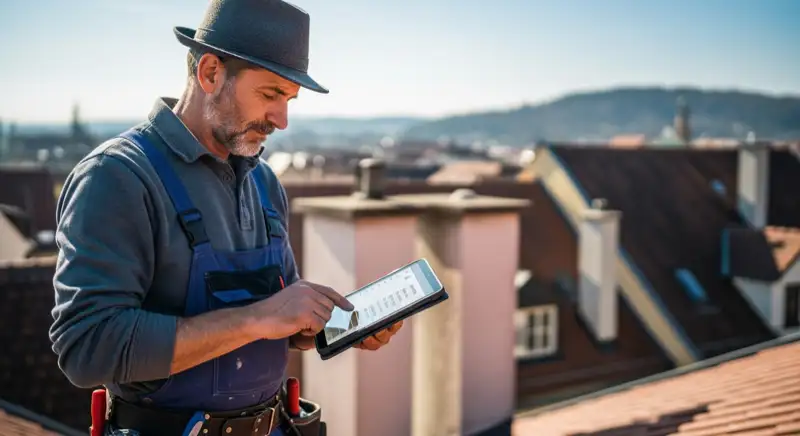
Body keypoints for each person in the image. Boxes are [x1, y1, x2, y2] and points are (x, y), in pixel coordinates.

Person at [49, 1, 403, 435]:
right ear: (210, 73)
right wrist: (257, 318)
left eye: (289, 100)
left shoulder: (264, 183)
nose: (282, 120)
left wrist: (324, 327)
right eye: (271, 94)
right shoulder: (117, 177)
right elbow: (86, 347)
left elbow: (278, 319)